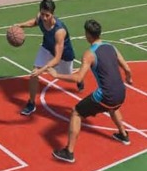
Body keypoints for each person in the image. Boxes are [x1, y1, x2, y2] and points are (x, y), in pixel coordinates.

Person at [44, 19, 133, 163]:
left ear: (88, 35)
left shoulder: (89, 54)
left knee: (76, 112)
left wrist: (56, 75)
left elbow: (79, 78)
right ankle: (123, 135)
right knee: (113, 107)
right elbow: (127, 68)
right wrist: (129, 78)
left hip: (106, 96)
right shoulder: (111, 47)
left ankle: (69, 152)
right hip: (121, 92)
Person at [17, 0, 82, 117]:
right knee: (34, 73)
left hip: (64, 55)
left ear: (53, 14)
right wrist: (20, 25)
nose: (44, 18)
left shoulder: (59, 31)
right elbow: (35, 22)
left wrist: (42, 70)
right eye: (42, 14)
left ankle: (79, 79)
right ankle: (31, 103)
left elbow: (57, 58)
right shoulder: (40, 17)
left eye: (47, 15)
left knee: (67, 76)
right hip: (46, 47)